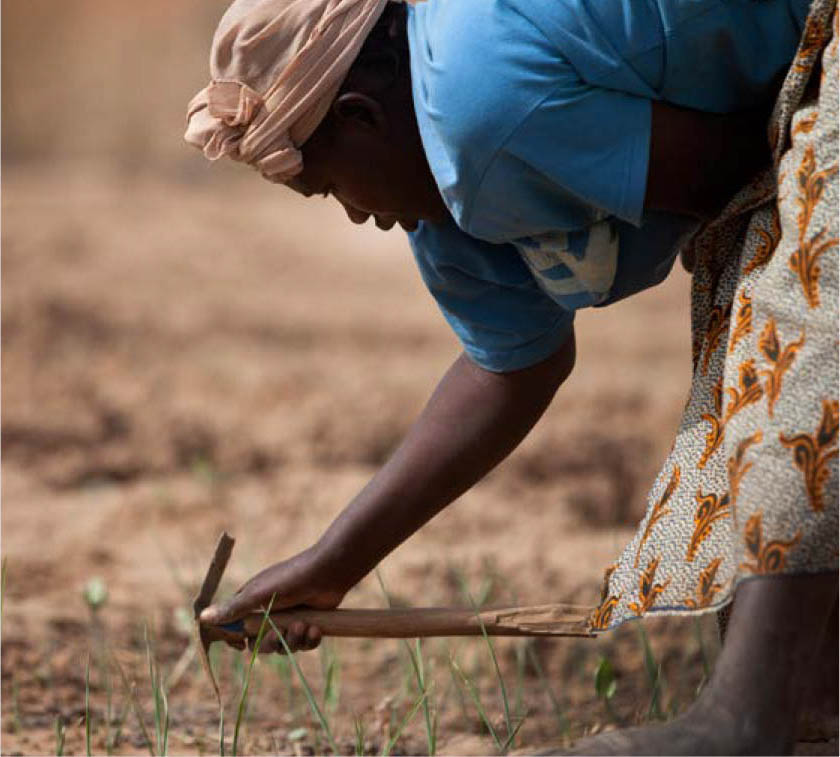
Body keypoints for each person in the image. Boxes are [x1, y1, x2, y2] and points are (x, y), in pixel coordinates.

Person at [185, 0, 838, 752]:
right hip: (795, 95)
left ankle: (748, 720)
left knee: (805, 306)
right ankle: (809, 707)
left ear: (363, 118)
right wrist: (334, 564)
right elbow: (511, 372)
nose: (356, 217)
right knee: (763, 332)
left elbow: (743, 175)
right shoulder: (445, 207)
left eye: (332, 189)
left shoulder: (475, 96)